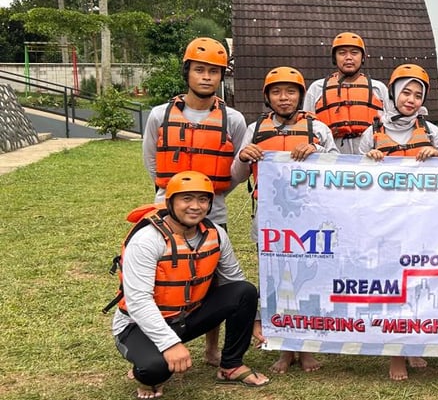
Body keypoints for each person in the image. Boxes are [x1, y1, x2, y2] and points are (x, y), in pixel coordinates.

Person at [109, 171, 269, 399]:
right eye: (187, 199)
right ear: (170, 202)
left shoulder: (216, 234)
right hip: (137, 325)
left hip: (185, 317)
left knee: (243, 291)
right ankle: (147, 370)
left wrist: (255, 320)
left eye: (203, 199)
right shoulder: (147, 240)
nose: (196, 206)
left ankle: (231, 366)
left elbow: (234, 280)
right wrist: (169, 344)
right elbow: (138, 301)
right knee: (153, 370)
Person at [141, 37, 247, 365]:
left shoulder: (234, 120)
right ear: (187, 72)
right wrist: (171, 200)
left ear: (221, 77)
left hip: (213, 208)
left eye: (213, 72)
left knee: (212, 279)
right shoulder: (160, 116)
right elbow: (152, 162)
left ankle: (212, 348)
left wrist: (212, 197)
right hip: (166, 210)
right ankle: (156, 342)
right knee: (162, 277)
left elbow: (236, 170)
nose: (206, 77)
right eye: (199, 70)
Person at [231, 66, 337, 374]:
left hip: (310, 222)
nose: (284, 98)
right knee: (275, 284)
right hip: (269, 223)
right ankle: (284, 348)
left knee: (307, 281)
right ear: (267, 97)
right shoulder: (255, 130)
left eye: (290, 91)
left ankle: (306, 348)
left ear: (300, 96)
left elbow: (340, 172)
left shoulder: (318, 129)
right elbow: (235, 177)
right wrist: (242, 157)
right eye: (277, 92)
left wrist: (317, 152)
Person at [358, 63, 438, 380]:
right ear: (394, 93)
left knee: (418, 284)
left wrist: (436, 157)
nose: (410, 99)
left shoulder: (432, 132)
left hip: (421, 220)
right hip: (386, 222)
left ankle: (413, 344)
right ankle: (395, 353)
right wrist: (367, 163)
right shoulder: (372, 133)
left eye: (417, 94)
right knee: (393, 287)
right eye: (405, 92)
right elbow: (355, 181)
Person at [304, 32, 387, 154]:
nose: (348, 57)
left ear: (362, 57)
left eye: (354, 53)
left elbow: (391, 126)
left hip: (371, 156)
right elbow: (307, 128)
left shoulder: (378, 88)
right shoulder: (317, 88)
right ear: (334, 58)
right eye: (342, 53)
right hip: (330, 155)